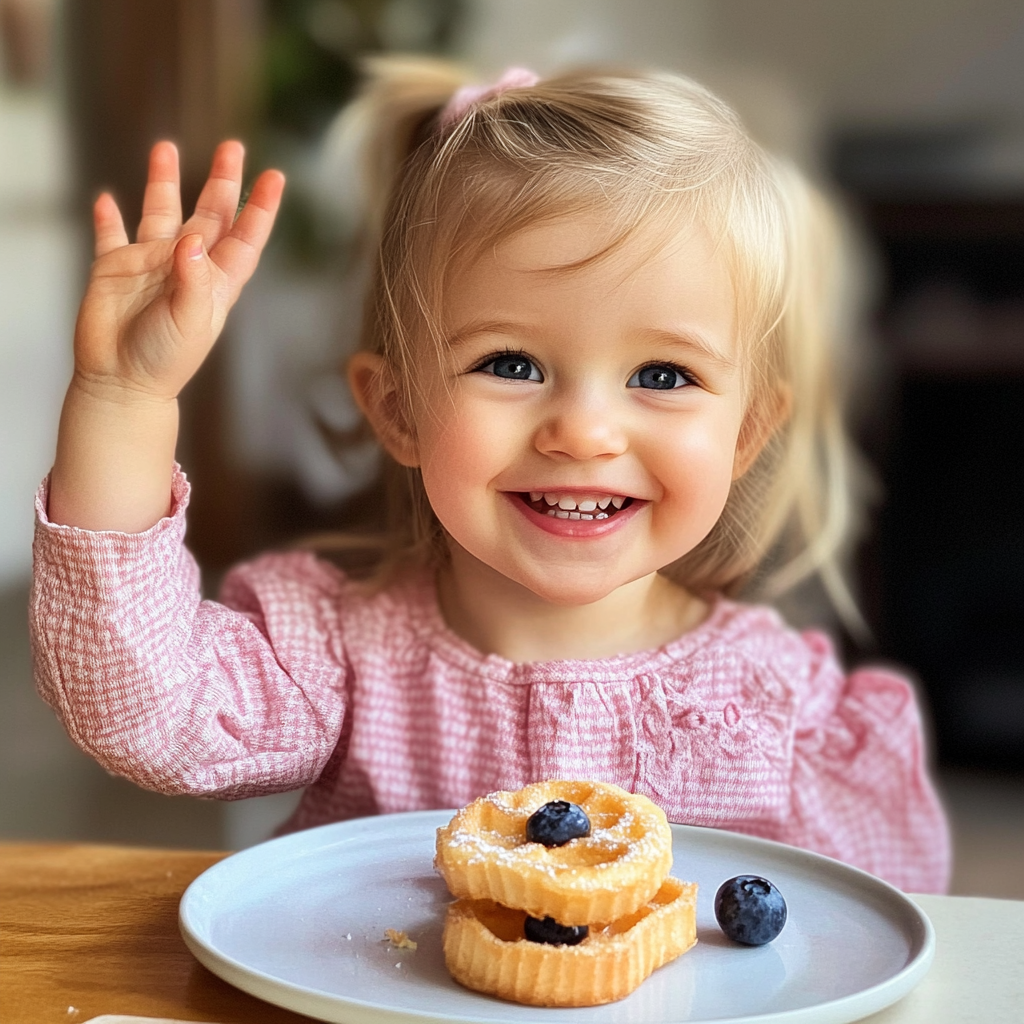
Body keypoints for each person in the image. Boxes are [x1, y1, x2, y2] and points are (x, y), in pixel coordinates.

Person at [30, 60, 950, 893]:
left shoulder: (781, 713)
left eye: (662, 377)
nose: (584, 432)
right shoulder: (334, 659)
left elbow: (882, 945)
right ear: (396, 410)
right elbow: (135, 708)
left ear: (746, 434)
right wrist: (124, 397)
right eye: (510, 363)